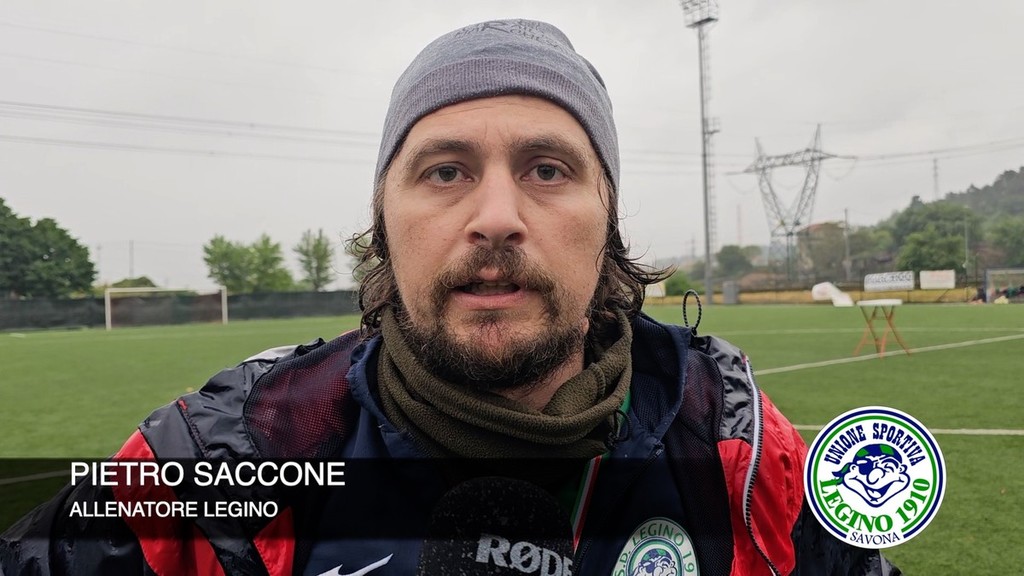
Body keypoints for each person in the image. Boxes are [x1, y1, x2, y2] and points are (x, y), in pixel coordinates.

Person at [1, 19, 901, 575]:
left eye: (547, 169)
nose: (497, 218)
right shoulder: (219, 459)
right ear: (385, 222)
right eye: (444, 171)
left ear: (608, 221)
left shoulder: (749, 457)